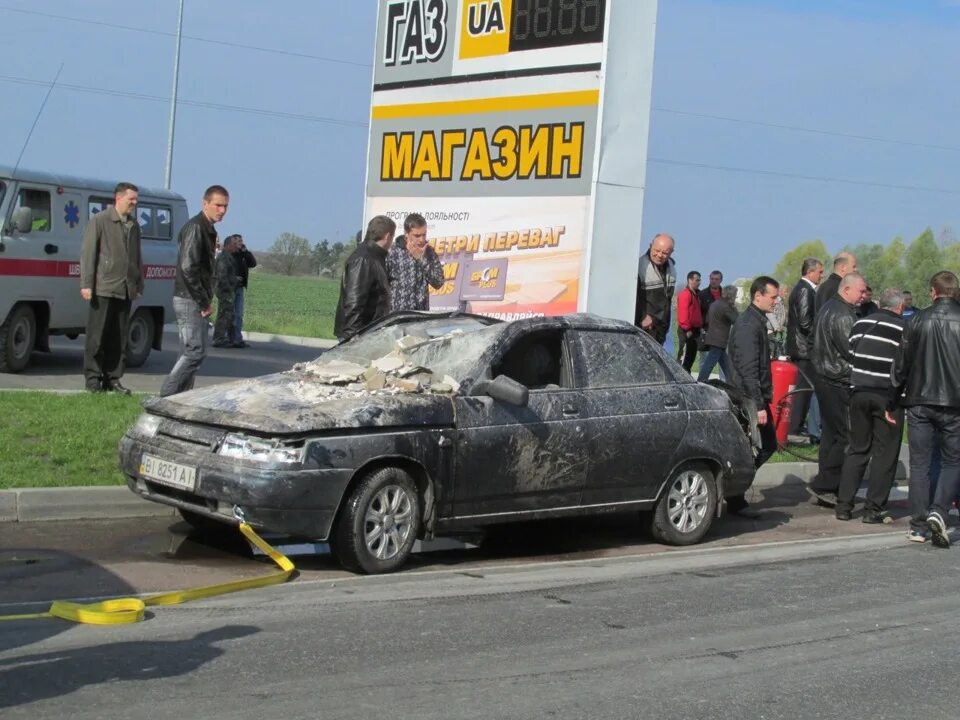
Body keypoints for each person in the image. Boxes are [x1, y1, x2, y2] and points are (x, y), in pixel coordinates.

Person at [889, 271, 960, 547]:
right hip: (954, 403)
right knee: (953, 460)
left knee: (920, 464)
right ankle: (939, 510)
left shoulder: (917, 319)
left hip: (919, 399)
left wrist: (891, 399)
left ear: (933, 291)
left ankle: (918, 525)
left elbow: (901, 363)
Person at [835, 288, 907, 522]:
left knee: (857, 448)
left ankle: (844, 505)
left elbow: (852, 353)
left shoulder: (859, 325)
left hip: (858, 393)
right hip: (887, 397)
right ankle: (873, 509)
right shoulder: (903, 329)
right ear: (900, 307)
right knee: (884, 453)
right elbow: (905, 365)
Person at [159, 185, 230, 398]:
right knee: (195, 352)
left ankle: (181, 398)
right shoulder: (196, 228)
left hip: (193, 297)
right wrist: (203, 302)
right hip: (190, 298)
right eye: (218, 205)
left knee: (189, 351)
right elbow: (188, 268)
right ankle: (167, 395)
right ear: (205, 203)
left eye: (225, 206)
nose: (222, 210)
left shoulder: (207, 228)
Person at [808, 272, 868, 506]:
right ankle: (824, 483)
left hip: (825, 376)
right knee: (846, 435)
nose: (864, 296)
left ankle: (827, 487)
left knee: (832, 435)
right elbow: (852, 351)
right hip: (837, 379)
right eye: (861, 291)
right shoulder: (843, 314)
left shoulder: (829, 307)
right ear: (847, 290)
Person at [725, 276, 781, 518]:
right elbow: (749, 369)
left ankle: (735, 495)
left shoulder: (755, 321)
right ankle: (734, 493)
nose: (776, 302)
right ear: (758, 295)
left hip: (750, 397)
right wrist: (758, 405)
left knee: (760, 446)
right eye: (773, 297)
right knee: (761, 446)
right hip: (747, 399)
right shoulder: (749, 325)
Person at [79, 182, 142, 394]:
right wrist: (87, 284)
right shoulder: (100, 221)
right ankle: (93, 380)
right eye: (131, 199)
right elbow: (89, 254)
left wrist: (138, 283)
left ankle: (113, 379)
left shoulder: (134, 225)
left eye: (136, 199)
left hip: (126, 289)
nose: (134, 203)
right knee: (97, 337)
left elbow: (137, 257)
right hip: (104, 287)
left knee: (119, 337)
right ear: (119, 198)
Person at [333, 215, 396, 342]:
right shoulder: (364, 259)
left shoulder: (375, 256)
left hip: (368, 331)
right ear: (388, 236)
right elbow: (354, 301)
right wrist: (352, 339)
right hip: (358, 334)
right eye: (392, 237)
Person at [786, 258, 824, 439]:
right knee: (803, 389)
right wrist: (818, 334)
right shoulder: (804, 290)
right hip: (803, 348)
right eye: (819, 272)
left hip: (801, 346)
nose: (821, 275)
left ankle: (796, 424)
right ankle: (794, 426)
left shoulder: (805, 289)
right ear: (810, 272)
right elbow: (805, 321)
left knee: (804, 388)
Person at [386, 213, 443, 312]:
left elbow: (438, 283)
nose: (421, 239)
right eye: (417, 235)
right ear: (406, 234)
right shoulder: (392, 252)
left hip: (420, 317)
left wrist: (421, 259)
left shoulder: (430, 252)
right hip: (396, 317)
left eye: (424, 235)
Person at [634, 233, 676, 345]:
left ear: (671, 253)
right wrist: (642, 316)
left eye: (665, 253)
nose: (659, 255)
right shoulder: (639, 267)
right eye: (657, 250)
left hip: (662, 326)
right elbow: (633, 296)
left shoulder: (671, 268)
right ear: (650, 246)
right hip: (645, 326)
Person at [696, 285, 738, 382]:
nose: (736, 297)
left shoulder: (715, 303)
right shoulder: (726, 306)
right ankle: (701, 380)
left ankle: (733, 382)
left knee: (725, 363)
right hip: (719, 339)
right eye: (735, 295)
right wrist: (734, 307)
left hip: (712, 336)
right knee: (710, 363)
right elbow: (736, 320)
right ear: (731, 295)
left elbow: (707, 319)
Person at [212, 235, 243, 348]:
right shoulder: (223, 257)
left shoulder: (228, 256)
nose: (236, 247)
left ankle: (232, 339)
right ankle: (218, 338)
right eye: (234, 244)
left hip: (228, 289)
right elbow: (222, 276)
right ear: (228, 245)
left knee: (230, 315)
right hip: (224, 290)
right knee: (224, 314)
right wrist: (232, 283)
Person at [231, 234, 257, 346]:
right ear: (233, 242)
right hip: (230, 287)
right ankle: (229, 337)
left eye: (241, 240)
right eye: (238, 241)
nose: (240, 242)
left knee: (239, 314)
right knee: (230, 313)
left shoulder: (243, 254)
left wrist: (246, 252)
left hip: (240, 287)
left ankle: (238, 338)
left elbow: (253, 264)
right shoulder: (229, 254)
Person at [675, 270, 703, 373]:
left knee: (691, 356)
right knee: (684, 356)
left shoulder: (696, 294)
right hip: (687, 330)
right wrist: (687, 329)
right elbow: (683, 313)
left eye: (699, 280)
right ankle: (679, 375)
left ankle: (686, 374)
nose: (699, 282)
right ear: (689, 280)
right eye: (696, 280)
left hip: (695, 331)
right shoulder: (685, 294)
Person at [766, 284, 789, 358]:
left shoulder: (781, 302)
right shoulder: (775, 301)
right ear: (780, 292)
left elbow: (782, 317)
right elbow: (770, 313)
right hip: (771, 331)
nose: (787, 294)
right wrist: (777, 326)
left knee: (777, 351)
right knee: (773, 352)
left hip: (778, 331)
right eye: (785, 292)